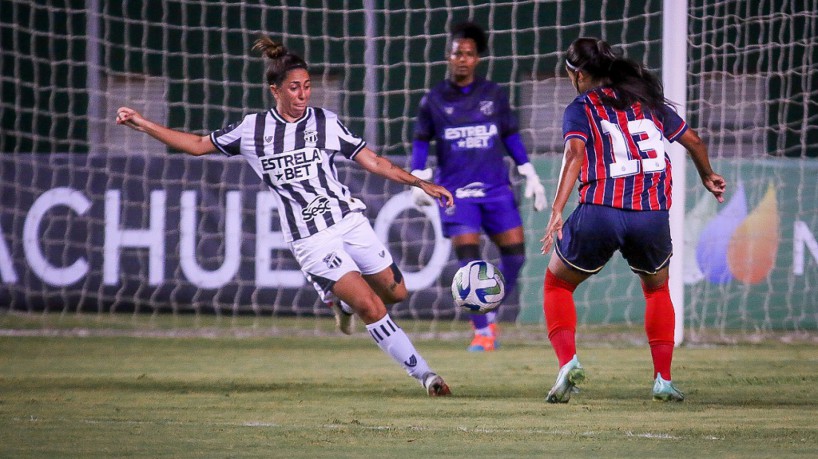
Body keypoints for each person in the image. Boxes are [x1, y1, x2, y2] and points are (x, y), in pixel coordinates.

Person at [115, 36, 454, 397]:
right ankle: (426, 376)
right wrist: (143, 123)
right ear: (274, 90)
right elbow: (198, 145)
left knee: (396, 293)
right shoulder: (252, 130)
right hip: (311, 238)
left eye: (307, 86)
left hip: (349, 221)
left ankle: (337, 300)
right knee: (370, 306)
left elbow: (372, 161)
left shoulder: (326, 122)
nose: (303, 95)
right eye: (294, 88)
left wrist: (419, 182)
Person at [540, 37, 726, 403]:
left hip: (600, 210)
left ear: (576, 74)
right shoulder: (649, 103)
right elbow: (694, 140)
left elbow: (575, 153)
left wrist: (558, 209)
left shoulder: (581, 106)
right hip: (651, 215)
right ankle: (663, 380)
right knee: (657, 290)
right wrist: (707, 175)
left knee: (556, 286)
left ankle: (568, 364)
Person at [410, 22, 547, 352]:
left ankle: (490, 311)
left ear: (477, 59)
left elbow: (510, 135)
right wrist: (417, 176)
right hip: (456, 193)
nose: (462, 59)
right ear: (449, 56)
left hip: (496, 188)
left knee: (515, 257)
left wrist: (529, 171)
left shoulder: (494, 95)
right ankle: (483, 331)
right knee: (469, 262)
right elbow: (420, 141)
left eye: (469, 54)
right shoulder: (433, 100)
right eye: (458, 53)